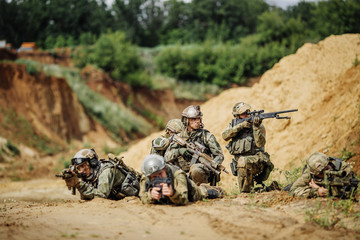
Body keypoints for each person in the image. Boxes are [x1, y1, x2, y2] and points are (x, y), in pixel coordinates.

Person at [165, 105, 224, 185]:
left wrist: (210, 164)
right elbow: (166, 157)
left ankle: (200, 190)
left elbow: (219, 155)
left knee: (196, 169)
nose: (197, 121)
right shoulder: (179, 137)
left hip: (202, 172)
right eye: (193, 119)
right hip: (182, 173)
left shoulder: (206, 136)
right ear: (186, 120)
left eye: (198, 118)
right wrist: (179, 151)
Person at [222, 102, 274, 193]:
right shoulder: (234, 125)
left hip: (257, 160)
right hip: (240, 163)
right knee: (242, 162)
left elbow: (260, 144)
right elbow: (225, 136)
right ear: (237, 116)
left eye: (248, 112)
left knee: (243, 162)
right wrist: (240, 127)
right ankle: (248, 193)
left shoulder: (259, 126)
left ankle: (245, 193)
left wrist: (256, 128)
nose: (247, 115)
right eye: (243, 113)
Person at [139, 154, 223, 205]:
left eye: (160, 174)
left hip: (191, 192)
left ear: (165, 168)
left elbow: (184, 199)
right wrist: (150, 195)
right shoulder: (145, 177)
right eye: (154, 176)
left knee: (203, 193)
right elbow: (141, 196)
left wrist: (173, 194)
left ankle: (205, 188)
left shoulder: (177, 174)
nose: (158, 178)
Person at [62, 148, 141, 200]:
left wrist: (79, 184)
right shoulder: (89, 175)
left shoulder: (106, 171)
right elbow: (86, 198)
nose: (81, 170)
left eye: (83, 166)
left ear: (92, 163)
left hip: (129, 199)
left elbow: (101, 195)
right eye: (78, 168)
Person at [290, 152, 358, 199]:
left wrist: (320, 189)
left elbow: (348, 193)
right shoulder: (310, 173)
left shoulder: (342, 168)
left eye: (327, 168)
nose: (327, 172)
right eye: (321, 173)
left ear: (329, 162)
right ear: (314, 174)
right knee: (287, 188)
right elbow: (293, 190)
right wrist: (315, 192)